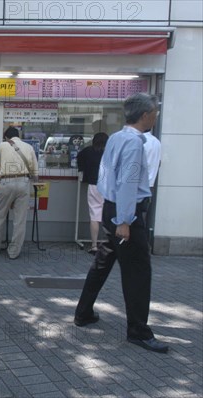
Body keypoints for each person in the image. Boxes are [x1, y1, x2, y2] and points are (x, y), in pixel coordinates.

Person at [74, 93, 169, 353]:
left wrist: (114, 211)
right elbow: (128, 182)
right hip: (126, 214)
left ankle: (83, 312)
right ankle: (138, 331)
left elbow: (106, 176)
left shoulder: (116, 137)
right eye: (154, 112)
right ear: (145, 115)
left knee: (103, 262)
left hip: (111, 207)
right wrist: (125, 220)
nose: (155, 115)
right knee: (138, 271)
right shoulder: (135, 143)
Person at [0, 127, 38, 259]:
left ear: (6, 138)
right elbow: (35, 172)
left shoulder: (2, 146)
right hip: (24, 182)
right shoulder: (28, 147)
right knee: (20, 219)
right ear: (18, 136)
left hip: (6, 182)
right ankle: (14, 252)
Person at [77, 132, 109, 254]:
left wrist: (82, 171)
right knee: (109, 215)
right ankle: (110, 242)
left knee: (94, 215)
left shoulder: (88, 151)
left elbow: (79, 158)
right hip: (109, 187)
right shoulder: (110, 153)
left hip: (94, 185)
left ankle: (94, 245)